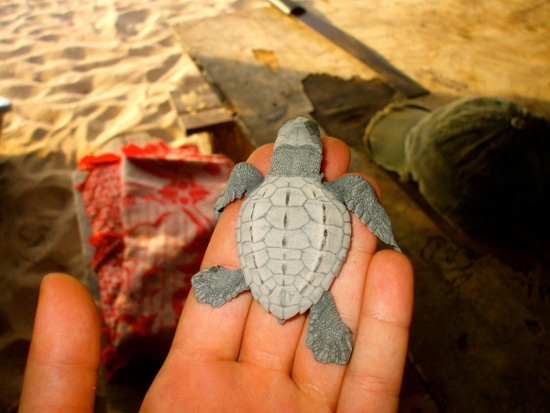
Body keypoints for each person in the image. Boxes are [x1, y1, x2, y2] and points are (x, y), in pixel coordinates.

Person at [18, 137, 414, 412]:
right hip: (315, 281)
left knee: (234, 274)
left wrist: (226, 198)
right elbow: (361, 197)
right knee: (355, 209)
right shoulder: (344, 187)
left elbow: (237, 184)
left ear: (279, 155)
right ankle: (320, 313)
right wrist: (386, 232)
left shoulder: (251, 177)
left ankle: (238, 281)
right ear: (315, 158)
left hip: (256, 275)